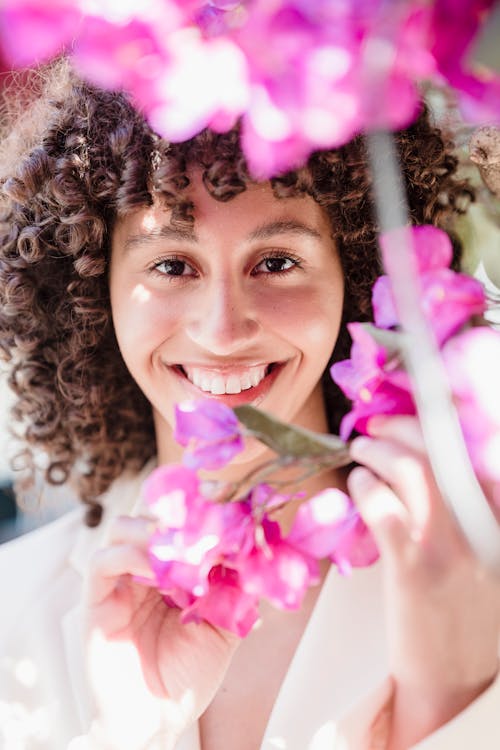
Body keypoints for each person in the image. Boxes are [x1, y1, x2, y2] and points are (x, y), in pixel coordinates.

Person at [0, 59, 499, 750]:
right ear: (93, 289)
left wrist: (452, 694)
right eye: (172, 265)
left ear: (355, 275)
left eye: (276, 263)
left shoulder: (480, 567)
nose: (223, 329)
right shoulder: (12, 614)